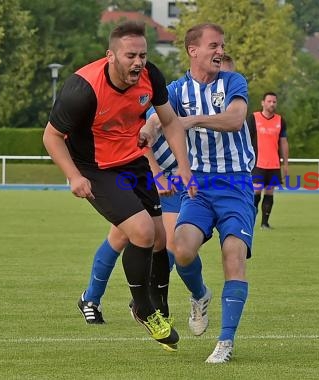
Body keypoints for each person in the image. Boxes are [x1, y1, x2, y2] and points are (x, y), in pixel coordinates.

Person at [42, 21, 196, 352]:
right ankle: (143, 308)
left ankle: (153, 304)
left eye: (142, 54)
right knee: (141, 231)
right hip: (94, 168)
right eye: (130, 55)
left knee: (159, 239)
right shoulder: (83, 89)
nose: (138, 62)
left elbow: (169, 121)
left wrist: (183, 168)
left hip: (133, 161)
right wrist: (74, 176)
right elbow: (51, 136)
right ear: (110, 55)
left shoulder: (150, 76)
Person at [77, 58, 240, 327]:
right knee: (121, 237)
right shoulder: (178, 97)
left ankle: (147, 296)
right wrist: (157, 173)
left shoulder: (219, 111)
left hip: (177, 182)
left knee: (169, 242)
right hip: (147, 175)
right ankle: (91, 298)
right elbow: (143, 134)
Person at [171, 23, 255, 364]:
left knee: (233, 254)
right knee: (182, 250)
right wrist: (146, 132)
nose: (220, 51)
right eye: (213, 45)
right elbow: (154, 119)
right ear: (194, 51)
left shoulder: (233, 82)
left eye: (222, 45)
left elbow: (235, 120)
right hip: (200, 186)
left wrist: (192, 121)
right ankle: (199, 294)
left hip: (235, 183)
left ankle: (225, 342)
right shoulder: (176, 90)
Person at [247, 92, 289, 229]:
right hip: (257, 163)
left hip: (274, 164)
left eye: (274, 102)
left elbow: (283, 142)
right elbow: (246, 140)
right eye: (269, 101)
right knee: (256, 191)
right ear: (263, 103)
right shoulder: (253, 118)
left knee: (270, 192)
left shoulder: (280, 120)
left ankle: (265, 223)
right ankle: (250, 219)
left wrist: (285, 163)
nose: (272, 104)